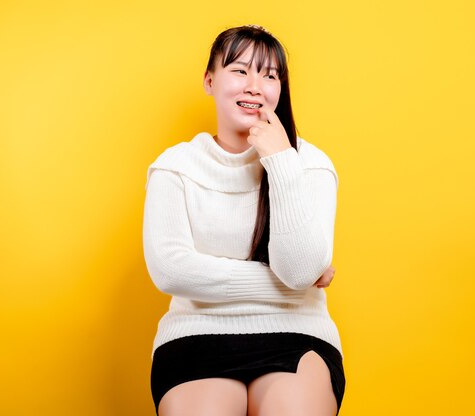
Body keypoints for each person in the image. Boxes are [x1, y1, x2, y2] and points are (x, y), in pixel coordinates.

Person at [143, 24, 345, 416]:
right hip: (196, 335)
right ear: (209, 81)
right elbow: (171, 272)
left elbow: (299, 269)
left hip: (297, 335)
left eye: (269, 75)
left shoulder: (311, 164)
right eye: (240, 70)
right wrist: (290, 286)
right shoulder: (175, 167)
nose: (256, 86)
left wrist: (281, 160)